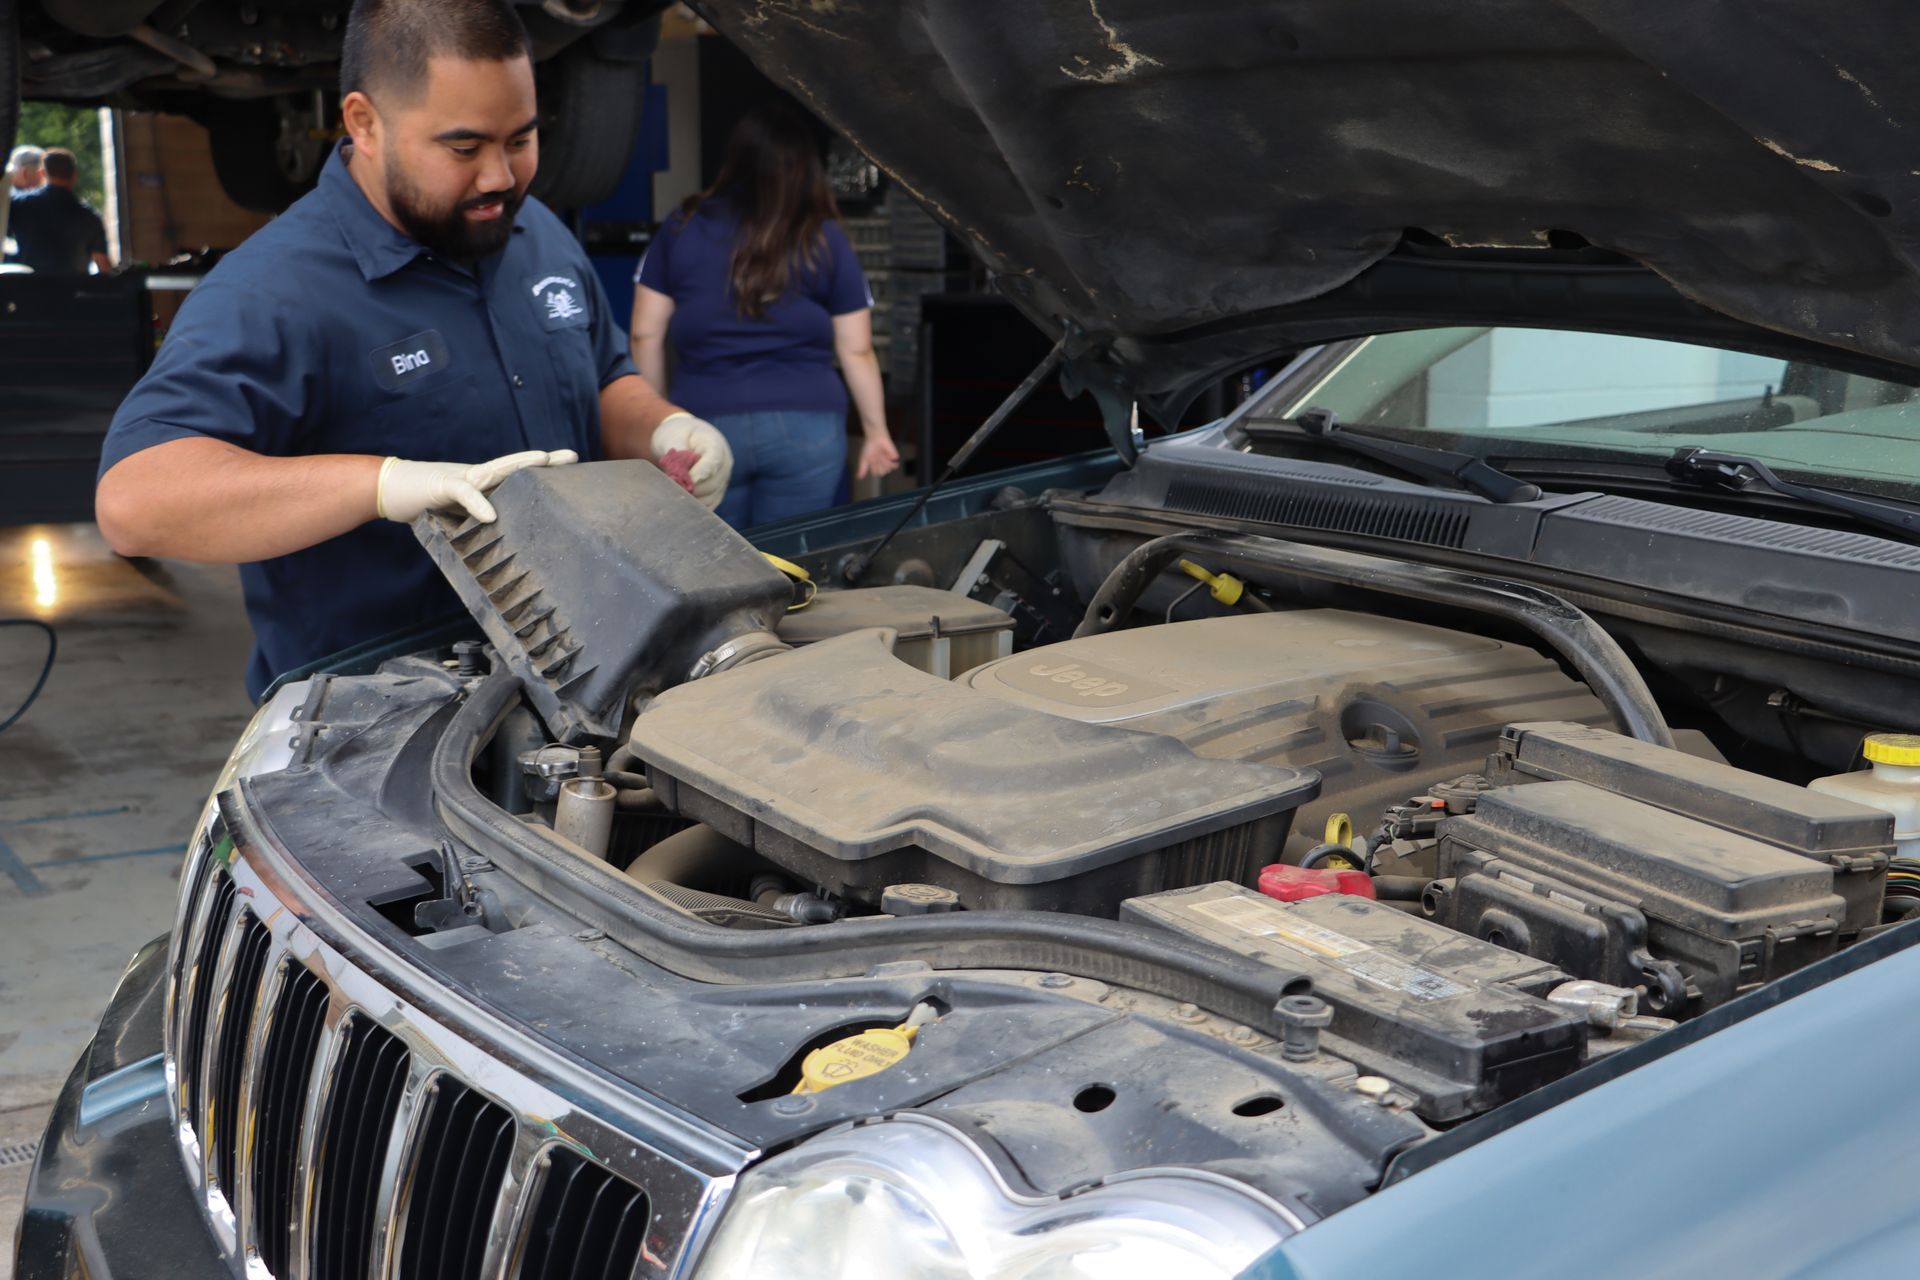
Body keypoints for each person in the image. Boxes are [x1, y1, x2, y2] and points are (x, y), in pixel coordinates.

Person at [93, 0, 732, 699]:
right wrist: (381, 486)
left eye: (521, 139)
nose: (499, 176)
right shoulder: (274, 290)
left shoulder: (535, 232)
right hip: (376, 723)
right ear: (364, 124)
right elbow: (135, 501)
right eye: (464, 148)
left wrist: (665, 428)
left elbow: (601, 378)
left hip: (578, 682)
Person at [630, 101, 899, 528]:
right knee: (792, 556)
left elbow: (645, 334)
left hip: (707, 421)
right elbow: (857, 350)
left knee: (716, 558)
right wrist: (876, 432)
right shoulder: (824, 236)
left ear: (735, 161)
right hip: (807, 427)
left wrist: (659, 422)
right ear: (806, 167)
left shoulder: (683, 225)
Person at [6, 148, 110, 274]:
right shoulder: (90, 217)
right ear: (74, 175)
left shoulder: (19, 205)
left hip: (28, 284)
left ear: (42, 173)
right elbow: (104, 266)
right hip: (73, 286)